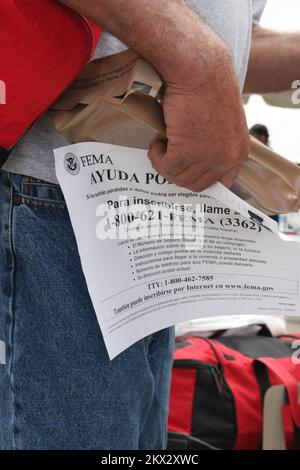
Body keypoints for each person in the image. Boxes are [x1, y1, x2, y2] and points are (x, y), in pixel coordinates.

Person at [0, 0, 283, 450]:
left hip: (145, 207)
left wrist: (209, 64)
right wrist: (198, 62)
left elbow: (236, 49)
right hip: (60, 187)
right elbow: (207, 55)